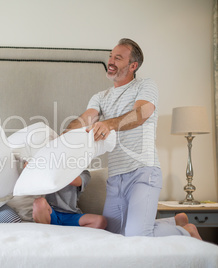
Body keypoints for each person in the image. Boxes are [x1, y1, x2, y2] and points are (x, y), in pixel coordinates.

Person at [64, 38, 201, 239]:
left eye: (118, 58)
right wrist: (63, 136)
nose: (110, 61)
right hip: (116, 178)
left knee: (138, 236)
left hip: (143, 172)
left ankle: (184, 230)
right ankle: (173, 221)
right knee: (114, 237)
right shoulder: (100, 97)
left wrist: (108, 124)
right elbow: (86, 119)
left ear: (132, 66)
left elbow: (141, 114)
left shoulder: (145, 85)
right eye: (111, 56)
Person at [32, 170, 107, 229]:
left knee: (100, 221)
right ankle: (49, 234)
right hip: (51, 214)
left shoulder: (84, 173)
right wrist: (31, 169)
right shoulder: (48, 169)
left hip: (71, 215)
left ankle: (66, 235)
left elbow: (75, 181)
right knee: (39, 202)